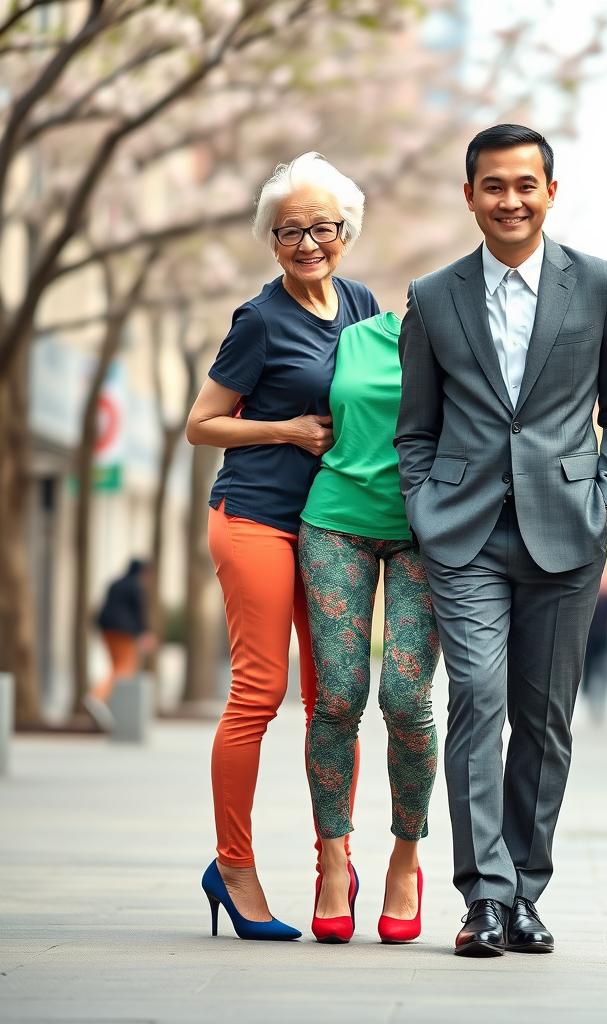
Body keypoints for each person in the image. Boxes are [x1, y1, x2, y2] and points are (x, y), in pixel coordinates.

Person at [395, 124, 607, 957]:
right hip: (464, 534)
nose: (510, 200)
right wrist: (425, 505)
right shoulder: (433, 299)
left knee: (545, 722)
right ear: (469, 195)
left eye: (525, 185)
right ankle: (485, 899)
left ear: (550, 191)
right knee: (477, 698)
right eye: (493, 186)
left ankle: (527, 892)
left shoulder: (603, 285)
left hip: (567, 534)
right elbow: (415, 429)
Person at [186, 152, 378, 941]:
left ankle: (336, 862)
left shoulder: (362, 305)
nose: (307, 243)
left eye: (322, 228)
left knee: (335, 698)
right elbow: (202, 422)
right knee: (259, 696)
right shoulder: (258, 321)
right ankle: (233, 864)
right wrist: (286, 429)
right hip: (258, 519)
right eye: (289, 230)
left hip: (334, 527)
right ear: (271, 239)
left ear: (345, 233)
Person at [298, 309, 441, 945]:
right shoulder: (353, 336)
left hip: (427, 532)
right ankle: (333, 862)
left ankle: (405, 861)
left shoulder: (473, 341)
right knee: (336, 695)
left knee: (406, 699)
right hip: (335, 522)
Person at [84, 558, 154, 730]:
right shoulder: (135, 586)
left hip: (106, 629)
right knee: (124, 668)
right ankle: (97, 697)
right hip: (124, 632)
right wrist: (144, 634)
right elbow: (139, 612)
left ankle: (106, 704)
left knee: (116, 665)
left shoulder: (114, 583)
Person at [581, 568, 607, 723]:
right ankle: (591, 702)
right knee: (589, 674)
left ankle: (600, 705)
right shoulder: (593, 594)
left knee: (604, 674)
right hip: (589, 642)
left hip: (605, 642)